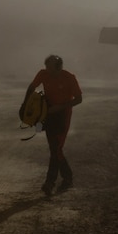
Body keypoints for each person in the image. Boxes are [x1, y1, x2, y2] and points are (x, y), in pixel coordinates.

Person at [26, 54, 82, 196]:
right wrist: (28, 104)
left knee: (56, 148)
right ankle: (67, 175)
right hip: (48, 113)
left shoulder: (69, 78)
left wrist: (61, 107)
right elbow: (31, 87)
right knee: (54, 148)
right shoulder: (43, 74)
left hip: (63, 115)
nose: (47, 70)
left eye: (50, 67)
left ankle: (50, 182)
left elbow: (79, 99)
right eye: (46, 66)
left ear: (59, 67)